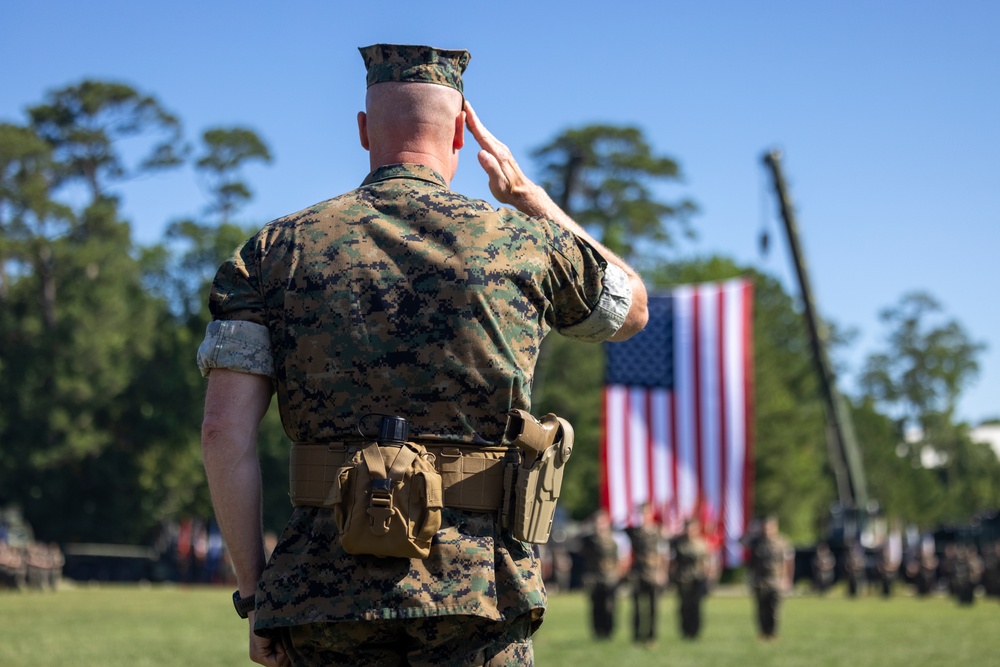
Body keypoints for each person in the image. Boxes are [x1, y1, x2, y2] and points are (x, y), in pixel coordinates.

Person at [197, 43, 648, 667]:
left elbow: (223, 431)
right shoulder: (523, 242)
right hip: (478, 592)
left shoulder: (272, 253)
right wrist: (534, 200)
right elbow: (633, 308)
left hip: (319, 593)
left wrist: (256, 596)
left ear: (363, 131)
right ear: (461, 132)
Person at [746, 515, 793, 641]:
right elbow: (740, 541)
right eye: (765, 528)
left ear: (776, 528)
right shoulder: (756, 542)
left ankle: (772, 633)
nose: (767, 530)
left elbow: (788, 562)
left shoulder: (783, 543)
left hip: (776, 580)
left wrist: (787, 579)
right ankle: (763, 633)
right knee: (761, 609)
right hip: (760, 581)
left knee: (775, 610)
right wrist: (753, 531)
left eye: (770, 527)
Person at [624, 503, 666, 647]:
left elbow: (663, 554)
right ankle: (636, 636)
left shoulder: (657, 532)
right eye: (641, 513)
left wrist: (662, 572)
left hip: (653, 572)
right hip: (637, 572)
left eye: (646, 513)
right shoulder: (633, 532)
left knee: (653, 607)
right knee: (636, 607)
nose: (643, 516)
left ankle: (651, 637)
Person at [579, 509, 622, 640]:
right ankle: (598, 632)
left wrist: (616, 574)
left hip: (609, 578)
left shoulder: (613, 541)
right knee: (596, 607)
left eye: (602, 523)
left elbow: (616, 559)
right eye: (597, 523)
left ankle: (609, 632)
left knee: (610, 606)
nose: (599, 526)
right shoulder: (588, 540)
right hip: (594, 578)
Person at [669, 518, 709, 639]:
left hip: (698, 579)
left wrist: (707, 578)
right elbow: (672, 561)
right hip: (683, 579)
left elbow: (706, 563)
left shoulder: (701, 544)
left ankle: (694, 631)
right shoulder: (678, 543)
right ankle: (685, 631)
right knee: (684, 606)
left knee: (696, 606)